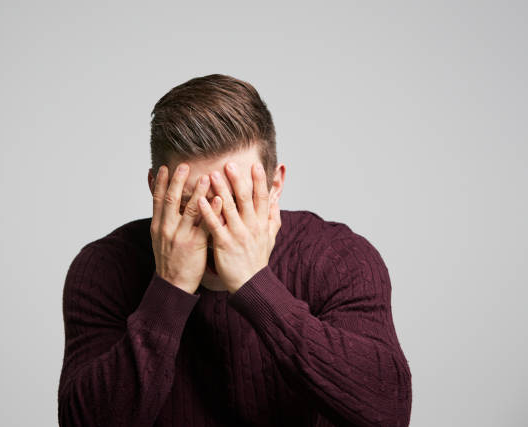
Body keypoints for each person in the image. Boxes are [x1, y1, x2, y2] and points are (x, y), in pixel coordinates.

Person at [57, 74, 412, 426]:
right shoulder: (104, 268)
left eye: (235, 205)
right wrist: (170, 288)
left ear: (275, 187)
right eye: (191, 206)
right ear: (156, 189)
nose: (216, 231)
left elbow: (388, 413)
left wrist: (256, 284)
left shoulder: (338, 258)